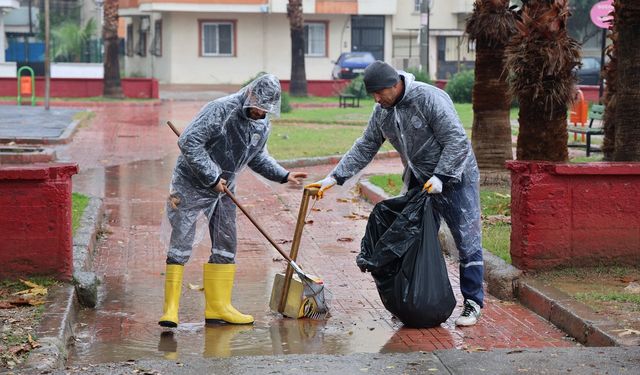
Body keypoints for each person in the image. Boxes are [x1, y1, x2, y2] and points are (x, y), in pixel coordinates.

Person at [306, 61, 484, 326]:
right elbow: (366, 145)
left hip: (456, 176)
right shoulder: (383, 111)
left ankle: (472, 302)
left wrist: (442, 176)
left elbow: (456, 140)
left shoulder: (428, 98)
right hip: (421, 181)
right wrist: (333, 178)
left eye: (379, 93)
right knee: (413, 236)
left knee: (466, 238)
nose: (376, 99)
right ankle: (413, 299)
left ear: (394, 84)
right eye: (373, 95)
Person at [159, 74, 307, 327]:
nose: (262, 113)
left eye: (267, 110)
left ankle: (218, 307)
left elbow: (257, 157)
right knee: (181, 242)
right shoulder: (221, 109)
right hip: (192, 182)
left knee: (226, 243)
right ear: (250, 95)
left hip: (225, 188)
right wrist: (211, 176)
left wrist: (284, 175)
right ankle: (170, 309)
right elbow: (189, 141)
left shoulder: (262, 124)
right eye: (260, 107)